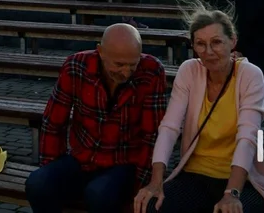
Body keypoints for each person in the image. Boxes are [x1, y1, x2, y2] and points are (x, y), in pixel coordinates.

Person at [133, 5, 264, 213]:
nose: (208, 52)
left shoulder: (249, 75)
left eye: (217, 42)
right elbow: (169, 127)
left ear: (233, 41)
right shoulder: (189, 70)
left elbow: (248, 137)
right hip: (196, 174)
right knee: (152, 205)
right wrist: (156, 181)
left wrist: (232, 193)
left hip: (242, 178)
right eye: (200, 44)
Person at [25, 24, 168, 213]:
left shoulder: (152, 71)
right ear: (100, 52)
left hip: (123, 162)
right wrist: (53, 169)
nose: (126, 72)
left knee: (99, 195)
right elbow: (53, 122)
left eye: (132, 65)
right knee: (37, 183)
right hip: (82, 157)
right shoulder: (76, 66)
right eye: (118, 65)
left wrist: (139, 186)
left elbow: (151, 136)